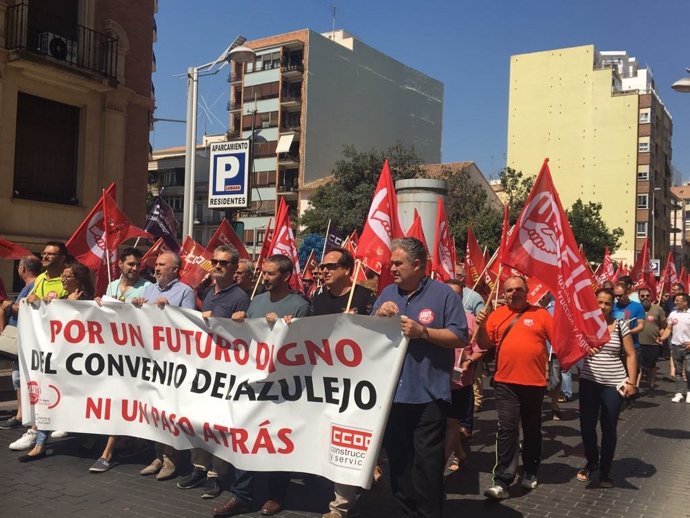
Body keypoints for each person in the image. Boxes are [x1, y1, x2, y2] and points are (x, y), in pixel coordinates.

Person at [374, 237, 467, 517]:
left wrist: (423, 332)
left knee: (426, 466)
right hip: (392, 395)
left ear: (417, 265)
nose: (392, 268)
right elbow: (368, 335)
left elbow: (460, 336)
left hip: (428, 396)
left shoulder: (443, 296)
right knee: (399, 465)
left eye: (397, 263)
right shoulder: (387, 293)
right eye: (391, 262)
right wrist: (378, 314)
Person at [213, 254, 309, 518]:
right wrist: (240, 321)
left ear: (286, 276)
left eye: (270, 274)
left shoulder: (299, 306)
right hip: (253, 384)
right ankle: (242, 495)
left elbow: (304, 346)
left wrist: (288, 328)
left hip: (281, 386)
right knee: (246, 437)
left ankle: (276, 495)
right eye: (263, 273)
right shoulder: (256, 302)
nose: (264, 278)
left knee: (277, 439)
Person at [176, 245, 250, 499]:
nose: (217, 266)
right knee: (201, 421)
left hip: (225, 371)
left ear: (234, 268)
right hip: (204, 368)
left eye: (224, 263)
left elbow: (241, 334)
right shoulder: (207, 292)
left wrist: (239, 320)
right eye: (215, 262)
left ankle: (216, 475)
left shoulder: (240, 296)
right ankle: (199, 467)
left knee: (219, 424)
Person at [312, 247, 377, 518]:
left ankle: (340, 505)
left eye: (330, 266)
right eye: (322, 267)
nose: (323, 271)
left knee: (345, 439)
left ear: (347, 270)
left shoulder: (364, 297)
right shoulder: (318, 297)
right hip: (323, 381)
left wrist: (360, 325)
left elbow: (379, 338)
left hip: (355, 382)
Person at [476, 275, 553, 500]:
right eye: (509, 290)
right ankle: (502, 481)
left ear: (527, 291)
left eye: (518, 289)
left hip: (535, 383)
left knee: (531, 429)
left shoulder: (541, 314)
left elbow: (559, 339)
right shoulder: (496, 316)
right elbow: (483, 344)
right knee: (507, 430)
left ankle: (530, 471)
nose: (514, 293)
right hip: (505, 383)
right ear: (504, 293)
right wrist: (481, 325)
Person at [18, 260, 94, 462]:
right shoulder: (58, 298)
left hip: (79, 362)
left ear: (78, 279)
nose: (62, 279)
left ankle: (91, 438)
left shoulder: (89, 301)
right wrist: (36, 301)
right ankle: (40, 443)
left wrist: (73, 305)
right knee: (48, 399)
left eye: (67, 276)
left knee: (82, 401)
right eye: (63, 276)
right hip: (57, 360)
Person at [133, 251, 195, 480]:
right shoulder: (148, 290)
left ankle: (171, 458)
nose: (156, 268)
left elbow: (191, 325)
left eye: (162, 265)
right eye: (156, 265)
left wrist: (170, 309)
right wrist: (137, 306)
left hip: (173, 362)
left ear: (175, 270)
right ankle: (157, 454)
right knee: (154, 410)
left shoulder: (185, 292)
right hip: (150, 360)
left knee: (169, 412)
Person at [9, 242, 70, 452]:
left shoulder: (66, 279)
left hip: (63, 345)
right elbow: (27, 304)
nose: (44, 257)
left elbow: (72, 305)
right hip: (41, 344)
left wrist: (48, 303)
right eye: (43, 253)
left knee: (61, 387)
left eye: (51, 254)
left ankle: (60, 423)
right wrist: (28, 302)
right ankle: (35, 431)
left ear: (62, 258)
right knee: (38, 386)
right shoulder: (41, 279)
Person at [576, 287, 637, 488]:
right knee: (586, 426)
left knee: (608, 427)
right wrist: (582, 347)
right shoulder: (583, 326)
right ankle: (592, 461)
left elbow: (630, 355)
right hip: (589, 381)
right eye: (599, 302)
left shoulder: (620, 325)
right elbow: (569, 347)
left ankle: (605, 471)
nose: (602, 307)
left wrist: (632, 382)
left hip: (613, 384)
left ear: (612, 305)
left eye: (607, 303)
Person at [444, 280, 484, 474]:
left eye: (457, 295)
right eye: (449, 293)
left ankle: (440, 464)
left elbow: (479, 349)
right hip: (436, 381)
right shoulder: (434, 316)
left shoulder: (470, 319)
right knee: (441, 424)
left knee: (451, 424)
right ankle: (461, 454)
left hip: (460, 383)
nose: (453, 298)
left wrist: (470, 359)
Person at [0, 255, 41, 430]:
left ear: (22, 269)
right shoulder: (28, 287)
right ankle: (21, 413)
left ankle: (23, 415)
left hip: (25, 338)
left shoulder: (34, 286)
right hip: (20, 337)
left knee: (20, 377)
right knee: (17, 377)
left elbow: (29, 309)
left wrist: (10, 306)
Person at [612, 281, 645, 392]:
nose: (618, 298)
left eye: (620, 295)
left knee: (630, 371)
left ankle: (631, 391)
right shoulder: (612, 306)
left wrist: (628, 332)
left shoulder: (637, 307)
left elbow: (641, 326)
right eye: (615, 296)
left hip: (632, 345)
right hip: (615, 346)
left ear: (628, 293)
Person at [658, 292, 690, 403]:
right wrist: (662, 338)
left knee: (689, 370)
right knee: (678, 371)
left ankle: (689, 392)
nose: (675, 302)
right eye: (675, 300)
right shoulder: (673, 314)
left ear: (685, 302)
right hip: (676, 346)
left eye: (677, 301)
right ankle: (679, 392)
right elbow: (668, 329)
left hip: (688, 347)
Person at [636, 287, 666, 392]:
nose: (645, 298)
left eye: (647, 296)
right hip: (637, 343)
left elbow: (663, 325)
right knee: (638, 366)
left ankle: (652, 385)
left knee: (652, 365)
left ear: (651, 296)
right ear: (639, 297)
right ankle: (636, 387)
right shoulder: (634, 308)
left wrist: (662, 335)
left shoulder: (658, 309)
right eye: (642, 296)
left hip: (653, 343)